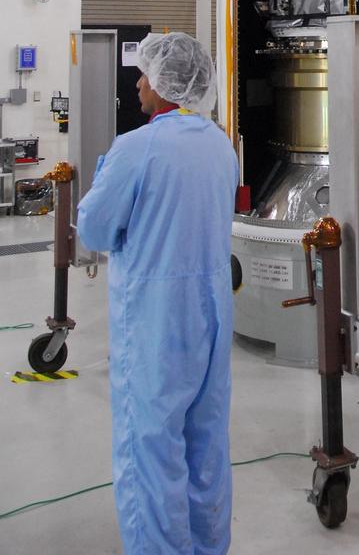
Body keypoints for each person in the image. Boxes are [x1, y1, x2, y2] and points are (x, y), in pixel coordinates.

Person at [76, 32, 239, 554]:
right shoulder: (220, 144)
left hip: (155, 319)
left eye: (145, 75)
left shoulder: (137, 148)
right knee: (205, 442)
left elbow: (96, 231)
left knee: (149, 445)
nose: (140, 84)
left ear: (168, 86)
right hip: (212, 314)